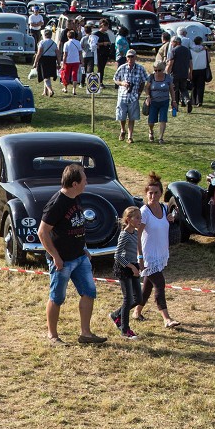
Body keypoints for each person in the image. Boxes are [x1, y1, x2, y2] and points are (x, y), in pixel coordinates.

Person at [37, 163, 105, 345]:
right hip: (62, 261)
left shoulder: (76, 198)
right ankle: (52, 335)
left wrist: (83, 248)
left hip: (79, 257)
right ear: (75, 183)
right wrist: (56, 257)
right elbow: (42, 232)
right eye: (84, 179)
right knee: (57, 297)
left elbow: (75, 225)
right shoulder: (56, 203)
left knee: (89, 292)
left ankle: (86, 334)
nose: (87, 182)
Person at [133, 175, 181, 328]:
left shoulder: (164, 208)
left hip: (160, 253)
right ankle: (166, 318)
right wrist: (139, 256)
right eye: (150, 193)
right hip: (148, 256)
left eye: (156, 193)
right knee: (159, 284)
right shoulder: (144, 212)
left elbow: (163, 226)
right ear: (146, 194)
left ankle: (136, 311)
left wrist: (170, 219)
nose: (153, 196)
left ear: (161, 193)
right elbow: (137, 235)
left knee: (147, 286)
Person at [108, 207, 143, 340]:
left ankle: (116, 315)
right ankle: (125, 330)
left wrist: (138, 263)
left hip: (133, 266)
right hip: (124, 268)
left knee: (138, 299)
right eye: (137, 217)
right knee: (128, 299)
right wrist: (131, 267)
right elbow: (117, 255)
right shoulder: (124, 234)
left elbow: (135, 249)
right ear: (128, 219)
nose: (140, 220)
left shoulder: (135, 232)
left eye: (140, 217)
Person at [113, 51, 147, 144]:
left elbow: (144, 80)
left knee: (132, 118)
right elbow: (115, 79)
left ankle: (130, 136)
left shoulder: (140, 68)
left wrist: (139, 93)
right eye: (129, 57)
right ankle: (122, 130)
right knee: (122, 116)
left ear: (135, 57)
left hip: (133, 97)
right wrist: (122, 83)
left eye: (132, 57)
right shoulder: (122, 67)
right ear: (126, 58)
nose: (130, 59)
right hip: (122, 96)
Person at [144, 60, 172, 143]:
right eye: (155, 70)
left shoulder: (167, 78)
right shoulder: (151, 77)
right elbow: (146, 88)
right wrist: (148, 96)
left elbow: (171, 89)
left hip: (164, 101)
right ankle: (151, 131)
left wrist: (174, 101)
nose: (157, 72)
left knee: (163, 119)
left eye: (159, 70)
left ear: (163, 70)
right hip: (153, 102)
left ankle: (161, 138)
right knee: (151, 121)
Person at [167, 37, 191, 115]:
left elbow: (170, 63)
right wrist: (190, 72)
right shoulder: (187, 50)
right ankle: (187, 100)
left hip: (175, 74)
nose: (171, 44)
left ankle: (175, 107)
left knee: (174, 90)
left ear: (176, 42)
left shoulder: (173, 51)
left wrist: (167, 73)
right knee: (183, 89)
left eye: (172, 42)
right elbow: (190, 62)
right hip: (184, 73)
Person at [35, 29, 58, 97]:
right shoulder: (54, 43)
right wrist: (59, 63)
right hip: (52, 60)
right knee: (47, 76)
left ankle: (50, 90)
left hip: (44, 60)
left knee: (45, 76)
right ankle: (45, 91)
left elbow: (39, 53)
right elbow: (58, 53)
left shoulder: (42, 42)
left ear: (45, 35)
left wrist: (35, 62)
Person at [189, 35, 210, 109]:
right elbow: (209, 60)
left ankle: (193, 100)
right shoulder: (205, 50)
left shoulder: (191, 50)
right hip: (202, 69)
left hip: (193, 69)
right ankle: (199, 101)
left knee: (193, 85)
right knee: (200, 86)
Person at [60, 29, 82, 94]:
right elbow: (80, 53)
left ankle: (65, 88)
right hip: (76, 61)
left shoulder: (66, 44)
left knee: (66, 74)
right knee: (74, 74)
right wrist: (81, 60)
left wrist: (63, 63)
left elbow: (65, 54)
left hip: (68, 61)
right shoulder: (78, 42)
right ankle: (74, 89)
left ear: (68, 36)